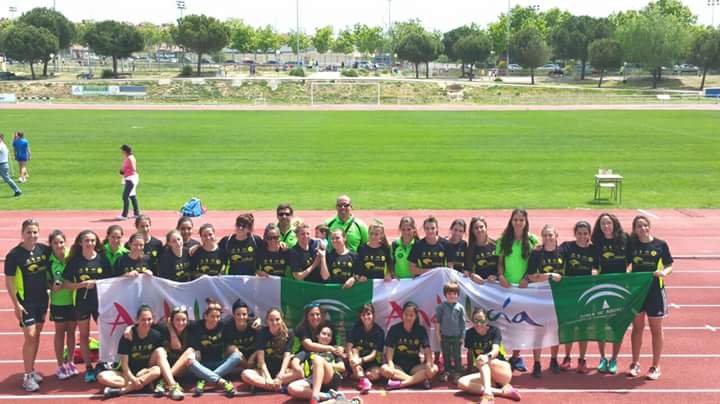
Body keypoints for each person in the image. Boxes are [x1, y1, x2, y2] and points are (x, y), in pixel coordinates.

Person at [98, 305, 184, 400]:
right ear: (137, 320)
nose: (146, 322)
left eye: (149, 319)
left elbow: (170, 329)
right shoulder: (127, 336)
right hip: (129, 374)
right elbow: (124, 365)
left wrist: (145, 372)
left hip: (146, 370)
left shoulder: (157, 334)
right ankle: (144, 384)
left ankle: (122, 391)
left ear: (153, 320)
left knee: (158, 363)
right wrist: (133, 379)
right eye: (143, 319)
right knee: (102, 376)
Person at [4, 219, 51, 391]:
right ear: (22, 233)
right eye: (29, 232)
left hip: (42, 300)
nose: (32, 235)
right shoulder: (14, 255)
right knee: (30, 336)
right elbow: (9, 282)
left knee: (36, 335)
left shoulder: (43, 250)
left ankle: (31, 371)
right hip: (25, 303)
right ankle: (27, 376)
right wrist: (16, 305)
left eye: (35, 232)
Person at [62, 229, 113, 382]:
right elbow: (66, 284)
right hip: (82, 303)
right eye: (86, 241)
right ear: (80, 242)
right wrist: (82, 285)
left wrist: (98, 284)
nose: (90, 243)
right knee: (84, 335)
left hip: (100, 303)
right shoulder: (75, 261)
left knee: (105, 334)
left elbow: (111, 281)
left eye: (92, 240)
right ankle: (89, 368)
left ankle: (103, 363)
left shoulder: (102, 259)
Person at [628, 215, 673, 381]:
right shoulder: (632, 245)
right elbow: (624, 264)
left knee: (656, 329)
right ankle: (635, 363)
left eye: (645, 225)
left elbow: (669, 265)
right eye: (639, 226)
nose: (643, 229)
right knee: (637, 328)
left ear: (649, 226)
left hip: (655, 290)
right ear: (634, 229)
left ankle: (655, 366)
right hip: (637, 291)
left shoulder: (660, 244)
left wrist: (663, 272)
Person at [496, 208, 538, 372]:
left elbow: (535, 264)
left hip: (524, 288)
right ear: (511, 221)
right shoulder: (503, 240)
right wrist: (500, 276)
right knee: (504, 322)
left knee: (520, 323)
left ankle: (516, 356)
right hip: (505, 287)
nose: (518, 223)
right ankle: (501, 354)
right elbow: (500, 262)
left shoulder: (532, 240)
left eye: (521, 220)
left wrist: (526, 278)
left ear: (526, 222)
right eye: (515, 219)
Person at [557, 220, 599, 374]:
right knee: (569, 326)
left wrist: (596, 272)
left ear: (589, 235)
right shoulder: (567, 246)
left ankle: (582, 359)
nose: (582, 236)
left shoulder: (594, 250)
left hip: (587, 296)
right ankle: (567, 357)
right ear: (575, 233)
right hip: (570, 293)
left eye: (585, 234)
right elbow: (554, 253)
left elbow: (600, 267)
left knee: (583, 327)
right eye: (579, 233)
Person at [457, 309, 521, 404]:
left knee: (481, 359)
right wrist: (470, 368)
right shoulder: (470, 333)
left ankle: (487, 396)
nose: (479, 324)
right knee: (461, 383)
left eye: (482, 321)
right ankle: (502, 392)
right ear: (472, 321)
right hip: (486, 372)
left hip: (501, 370)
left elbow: (495, 350)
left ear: (486, 321)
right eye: (476, 321)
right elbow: (470, 353)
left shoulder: (494, 331)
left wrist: (487, 356)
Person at [592, 213, 629, 375]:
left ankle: (614, 358)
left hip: (620, 289)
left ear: (614, 223)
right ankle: (603, 357)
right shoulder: (597, 243)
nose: (605, 226)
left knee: (617, 324)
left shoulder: (625, 239)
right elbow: (593, 264)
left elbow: (632, 260)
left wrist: (628, 272)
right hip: (602, 288)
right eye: (602, 224)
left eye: (608, 223)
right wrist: (593, 272)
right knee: (601, 323)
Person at [526, 224, 564, 377]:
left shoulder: (563, 251)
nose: (548, 238)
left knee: (555, 330)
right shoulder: (536, 254)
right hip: (540, 297)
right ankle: (536, 363)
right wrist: (549, 276)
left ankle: (554, 360)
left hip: (558, 297)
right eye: (545, 235)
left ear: (556, 236)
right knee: (539, 331)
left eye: (551, 235)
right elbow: (531, 276)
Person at [186, 299, 239, 397]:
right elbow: (177, 320)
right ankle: (223, 382)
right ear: (205, 316)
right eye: (212, 316)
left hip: (220, 365)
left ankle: (204, 380)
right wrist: (171, 329)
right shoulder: (196, 326)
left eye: (218, 316)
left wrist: (256, 320)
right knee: (189, 362)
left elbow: (241, 318)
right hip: (202, 366)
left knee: (237, 356)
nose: (215, 319)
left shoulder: (223, 325)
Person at [241, 308, 303, 391]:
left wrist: (281, 373)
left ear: (282, 319)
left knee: (300, 373)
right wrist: (267, 376)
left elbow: (286, 356)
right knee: (245, 374)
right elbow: (261, 360)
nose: (274, 323)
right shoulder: (262, 333)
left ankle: (269, 385)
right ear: (267, 321)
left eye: (277, 319)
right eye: (271, 320)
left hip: (283, 371)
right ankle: (274, 386)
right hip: (265, 371)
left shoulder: (290, 333)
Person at [382, 301, 438, 390]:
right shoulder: (394, 329)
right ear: (402, 314)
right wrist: (390, 363)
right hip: (398, 366)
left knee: (434, 368)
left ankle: (401, 384)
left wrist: (428, 363)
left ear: (415, 317)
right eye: (406, 314)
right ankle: (417, 380)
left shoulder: (420, 330)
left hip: (414, 367)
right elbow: (390, 349)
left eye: (411, 315)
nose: (408, 317)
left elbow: (427, 349)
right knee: (385, 369)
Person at [47, 230, 79, 381]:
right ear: (51, 245)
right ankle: (60, 365)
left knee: (72, 332)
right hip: (58, 302)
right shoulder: (49, 260)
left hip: (73, 300)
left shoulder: (71, 257)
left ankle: (71, 362)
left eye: (61, 242)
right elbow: (45, 280)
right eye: (55, 243)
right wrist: (52, 286)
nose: (59, 245)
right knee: (60, 332)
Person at [288, 325, 346, 403]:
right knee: (292, 388)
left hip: (330, 379)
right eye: (324, 333)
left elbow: (342, 367)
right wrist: (298, 369)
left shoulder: (334, 351)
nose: (326, 336)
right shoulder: (309, 351)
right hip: (312, 380)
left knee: (317, 360)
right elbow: (295, 361)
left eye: (329, 335)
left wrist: (322, 365)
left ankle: (314, 398)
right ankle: (328, 396)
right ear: (318, 335)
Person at [346, 304, 384, 393]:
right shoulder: (355, 328)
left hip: (370, 361)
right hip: (355, 360)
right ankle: (362, 379)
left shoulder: (379, 332)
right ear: (360, 317)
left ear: (373, 315)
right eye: (363, 315)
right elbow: (349, 347)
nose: (366, 317)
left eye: (368, 314)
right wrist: (352, 360)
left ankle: (358, 376)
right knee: (354, 351)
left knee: (374, 375)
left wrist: (361, 360)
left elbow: (374, 354)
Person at [434, 282, 466, 385]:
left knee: (457, 355)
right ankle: (447, 371)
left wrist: (462, 336)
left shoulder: (460, 308)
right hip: (445, 336)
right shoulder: (441, 307)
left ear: (457, 294)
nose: (452, 296)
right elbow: (438, 322)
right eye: (449, 293)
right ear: (445, 294)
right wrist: (438, 335)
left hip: (456, 336)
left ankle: (457, 372)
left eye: (454, 293)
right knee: (446, 354)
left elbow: (462, 323)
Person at [222, 299, 260, 375]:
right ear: (233, 315)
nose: (241, 317)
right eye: (238, 314)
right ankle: (249, 369)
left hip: (253, 357)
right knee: (232, 348)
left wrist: (253, 356)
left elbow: (261, 346)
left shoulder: (254, 325)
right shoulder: (227, 326)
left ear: (247, 314)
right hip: (238, 358)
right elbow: (228, 349)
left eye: (244, 314)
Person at [464, 216, 499, 284]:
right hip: (479, 286)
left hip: (496, 284)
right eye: (476, 228)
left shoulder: (496, 245)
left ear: (486, 228)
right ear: (472, 231)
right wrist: (472, 275)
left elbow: (502, 265)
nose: (479, 230)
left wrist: (496, 276)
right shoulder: (470, 249)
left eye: (481, 227)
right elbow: (467, 269)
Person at [116, 144, 140, 220]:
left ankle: (124, 215)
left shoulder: (129, 158)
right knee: (132, 196)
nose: (121, 152)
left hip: (130, 179)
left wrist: (124, 171)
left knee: (125, 196)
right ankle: (136, 213)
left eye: (122, 150)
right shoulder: (130, 157)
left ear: (125, 150)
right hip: (131, 178)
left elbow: (132, 168)